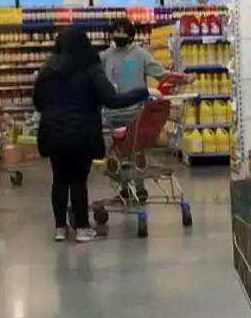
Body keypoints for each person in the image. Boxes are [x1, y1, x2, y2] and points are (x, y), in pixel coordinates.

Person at [34, 27, 150, 242]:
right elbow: (112, 100)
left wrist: (55, 110)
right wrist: (142, 92)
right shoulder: (91, 69)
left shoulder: (47, 70)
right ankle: (82, 228)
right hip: (82, 133)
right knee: (78, 180)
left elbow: (37, 102)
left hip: (52, 133)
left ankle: (60, 229)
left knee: (59, 179)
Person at [101, 18, 166, 129]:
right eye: (117, 32)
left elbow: (161, 74)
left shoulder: (141, 55)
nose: (120, 35)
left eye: (123, 32)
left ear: (131, 36)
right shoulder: (104, 56)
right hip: (111, 115)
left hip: (135, 114)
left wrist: (177, 79)